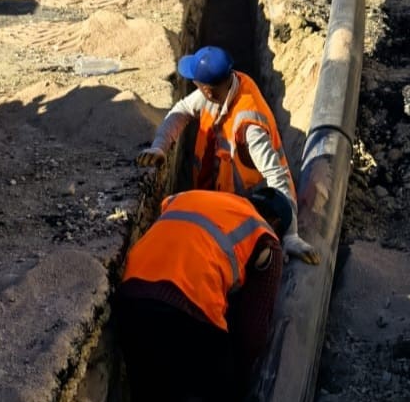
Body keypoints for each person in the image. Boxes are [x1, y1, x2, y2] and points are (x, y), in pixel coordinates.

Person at [112, 187, 291, 402]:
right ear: (277, 224)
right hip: (189, 317)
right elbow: (252, 332)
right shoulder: (264, 237)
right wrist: (239, 382)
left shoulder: (188, 197)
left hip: (131, 301)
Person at [136, 45, 319, 264]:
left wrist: (290, 235)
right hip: (219, 201)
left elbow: (278, 176)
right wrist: (160, 146)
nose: (194, 86)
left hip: (245, 215)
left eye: (196, 83)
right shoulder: (223, 86)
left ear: (208, 90)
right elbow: (182, 110)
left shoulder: (249, 126)